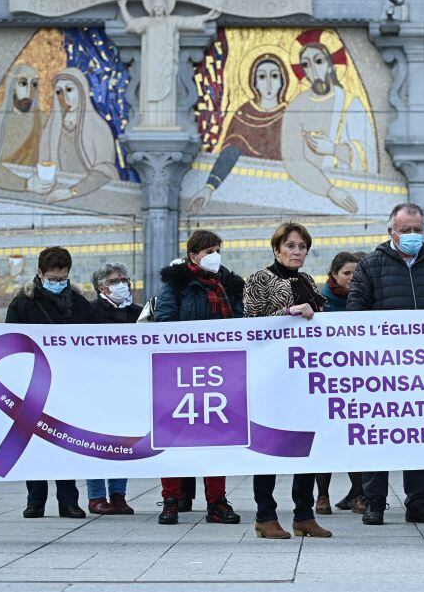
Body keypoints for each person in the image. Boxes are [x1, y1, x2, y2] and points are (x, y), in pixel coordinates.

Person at [347, 202, 424, 525]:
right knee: (379, 434)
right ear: (391, 232)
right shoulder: (370, 265)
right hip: (380, 368)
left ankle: (420, 502)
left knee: (421, 434)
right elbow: (356, 314)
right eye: (406, 230)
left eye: (418, 230)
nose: (413, 235)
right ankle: (374, 502)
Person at [244, 222, 333, 539]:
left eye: (303, 247)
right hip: (271, 375)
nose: (298, 251)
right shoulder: (259, 279)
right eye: (291, 245)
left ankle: (303, 514)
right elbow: (251, 326)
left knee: (307, 445)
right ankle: (264, 516)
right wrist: (289, 312)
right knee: (269, 444)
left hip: (305, 375)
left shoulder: (308, 280)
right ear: (276, 248)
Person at [153, 230, 243, 526]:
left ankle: (216, 502)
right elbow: (164, 320)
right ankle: (171, 500)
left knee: (216, 438)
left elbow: (241, 321)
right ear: (193, 256)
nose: (215, 256)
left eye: (218, 249)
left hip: (218, 374)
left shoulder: (229, 284)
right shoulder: (176, 283)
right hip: (181, 372)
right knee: (174, 438)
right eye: (209, 251)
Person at [5, 246, 93, 519]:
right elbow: (11, 341)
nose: (58, 284)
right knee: (35, 441)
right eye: (52, 279)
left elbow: (96, 341)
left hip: (70, 384)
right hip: (33, 383)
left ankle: (69, 500)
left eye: (62, 279)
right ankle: (36, 500)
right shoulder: (22, 303)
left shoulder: (79, 304)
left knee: (65, 441)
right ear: (40, 273)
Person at [84, 263, 142, 515]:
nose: (122, 285)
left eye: (124, 280)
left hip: (129, 386)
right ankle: (96, 496)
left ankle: (119, 495)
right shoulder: (89, 312)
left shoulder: (140, 313)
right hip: (96, 386)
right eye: (114, 281)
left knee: (123, 441)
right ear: (100, 287)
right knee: (95, 442)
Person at [315, 251, 368, 515]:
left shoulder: (364, 300)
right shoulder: (319, 301)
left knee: (355, 438)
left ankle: (358, 494)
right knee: (324, 440)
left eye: (356, 274)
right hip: (325, 381)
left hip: (356, 381)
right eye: (347, 273)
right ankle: (322, 496)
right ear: (333, 274)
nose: (352, 278)